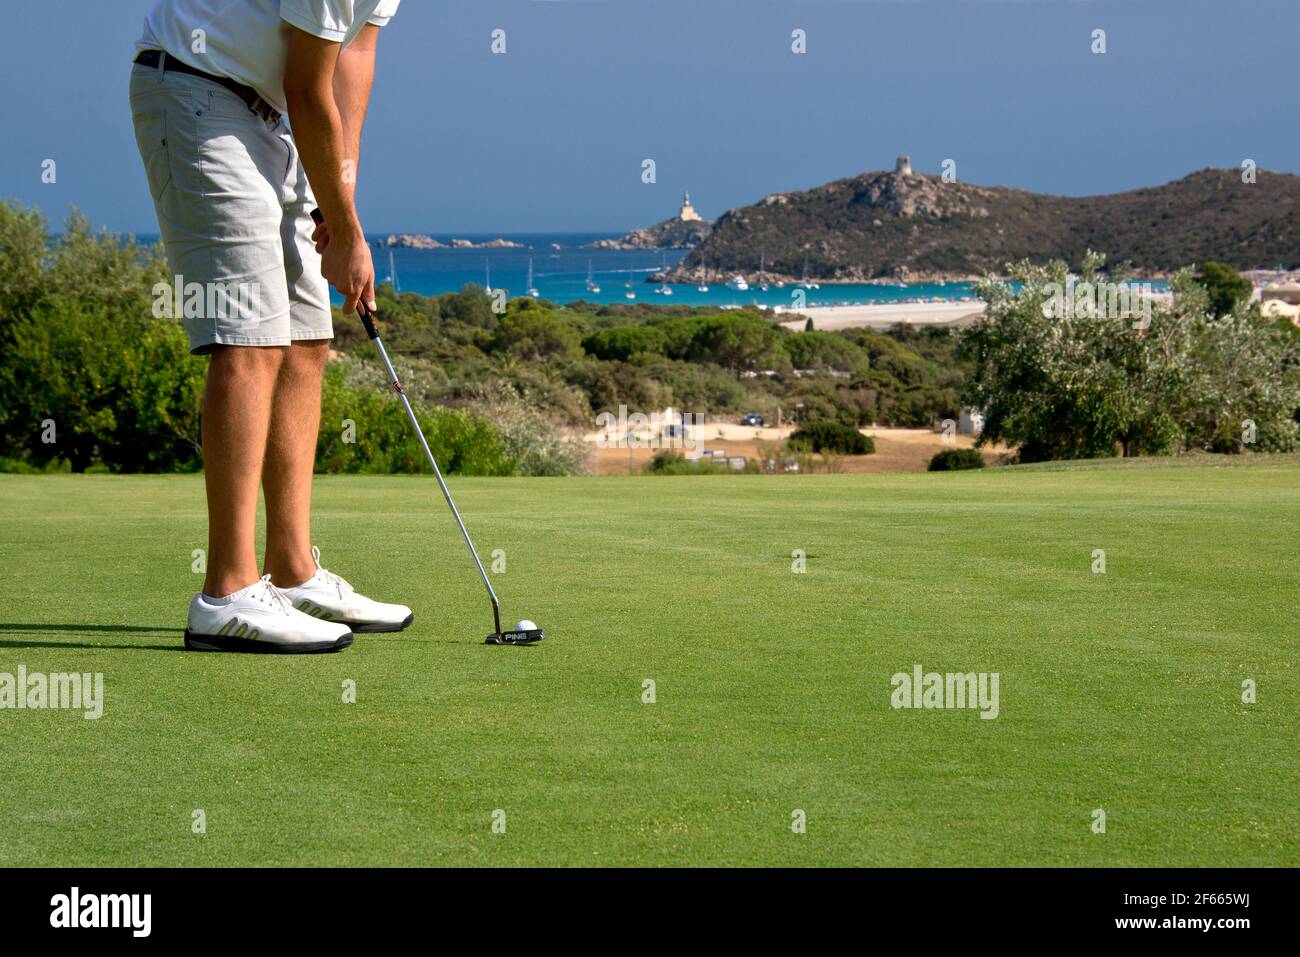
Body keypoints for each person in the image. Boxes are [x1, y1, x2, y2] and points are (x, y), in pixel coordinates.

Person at [129, 0, 412, 653]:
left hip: (277, 120)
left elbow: (354, 60)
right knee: (248, 335)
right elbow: (308, 85)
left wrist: (338, 202)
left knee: (309, 336)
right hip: (198, 92)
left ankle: (293, 571)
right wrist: (344, 228)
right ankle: (226, 592)